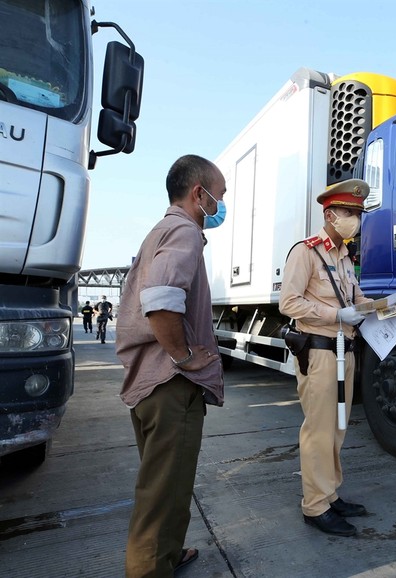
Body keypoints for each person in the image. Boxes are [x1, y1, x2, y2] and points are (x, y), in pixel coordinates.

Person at [115, 154, 226, 577]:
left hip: (148, 383)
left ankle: (166, 554)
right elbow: (161, 299)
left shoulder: (158, 232)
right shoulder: (184, 230)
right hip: (169, 384)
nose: (221, 205)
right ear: (200, 194)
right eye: (220, 195)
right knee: (162, 493)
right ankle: (150, 569)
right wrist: (183, 355)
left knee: (168, 484)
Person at [278, 178, 372, 537]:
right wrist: (336, 316)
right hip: (318, 353)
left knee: (337, 428)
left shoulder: (346, 257)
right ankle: (315, 506)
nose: (355, 219)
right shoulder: (306, 251)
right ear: (330, 215)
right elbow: (289, 302)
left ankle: (329, 494)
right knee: (318, 431)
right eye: (349, 212)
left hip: (343, 352)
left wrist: (379, 308)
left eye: (358, 213)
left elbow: (356, 299)